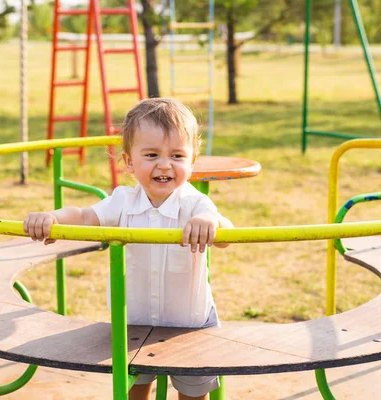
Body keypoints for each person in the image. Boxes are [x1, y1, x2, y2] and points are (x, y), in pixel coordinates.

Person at [23, 98, 233, 400]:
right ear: (129, 162)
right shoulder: (122, 202)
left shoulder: (196, 205)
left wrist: (211, 221)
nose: (164, 164)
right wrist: (53, 217)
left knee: (193, 395)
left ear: (192, 162)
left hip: (190, 323)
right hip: (133, 322)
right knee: (133, 391)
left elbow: (227, 234)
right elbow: (84, 217)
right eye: (151, 155)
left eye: (177, 155)